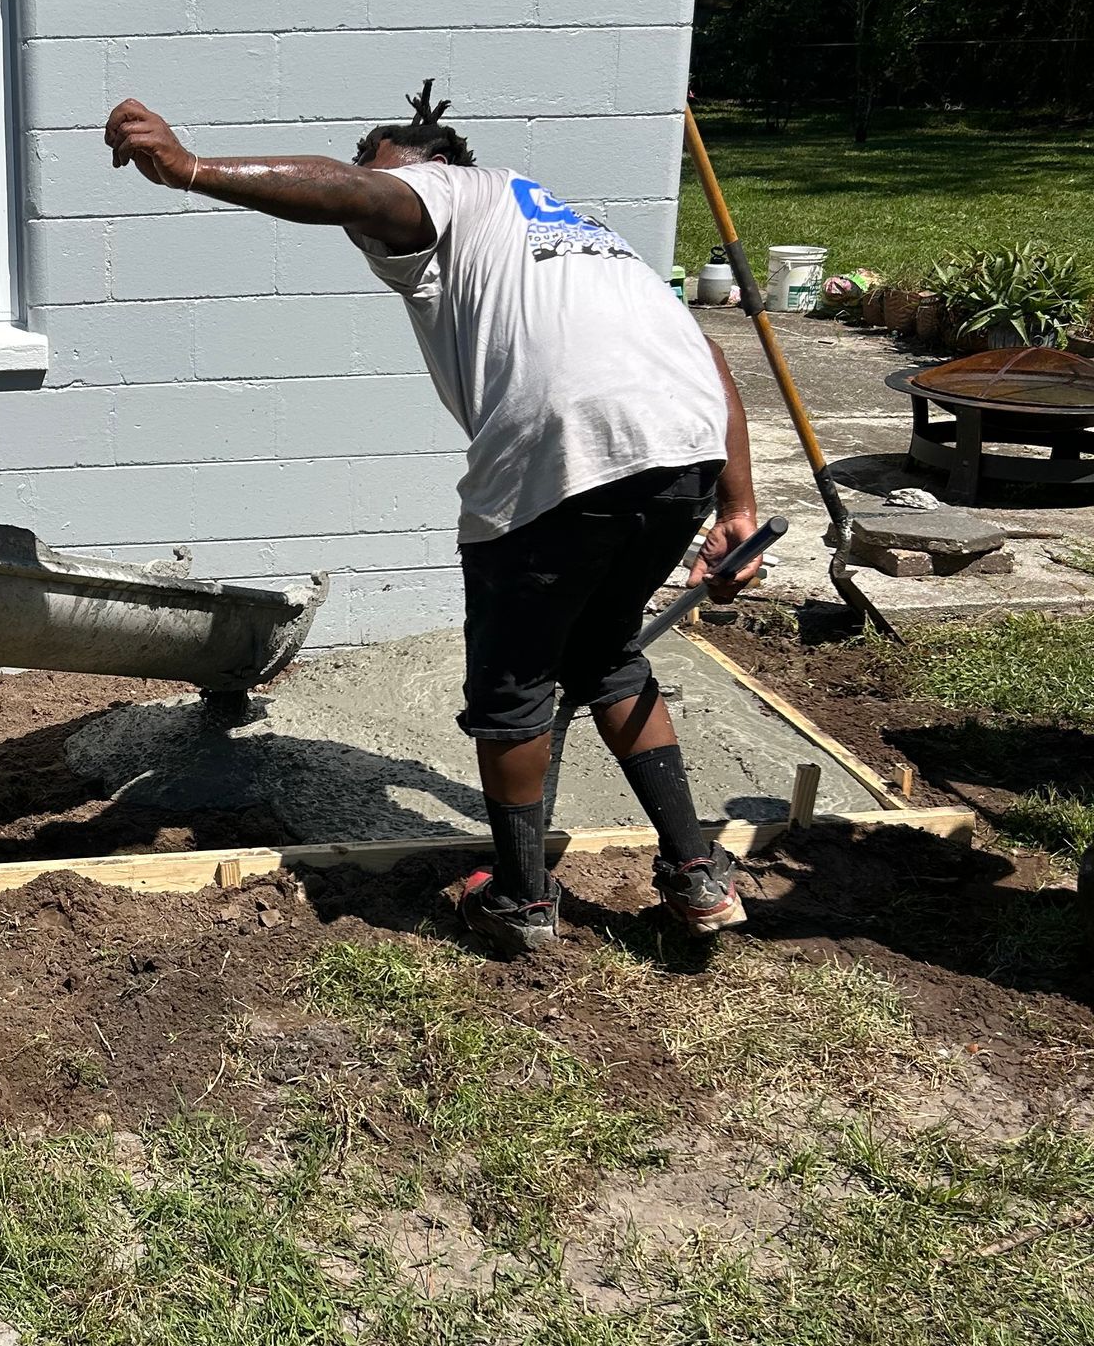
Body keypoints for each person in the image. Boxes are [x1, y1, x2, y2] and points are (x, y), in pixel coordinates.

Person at [104, 80, 764, 952]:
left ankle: (523, 902)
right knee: (605, 655)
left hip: (563, 453)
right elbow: (708, 350)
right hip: (682, 447)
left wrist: (191, 169)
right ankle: (695, 874)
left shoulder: (452, 191)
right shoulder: (572, 228)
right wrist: (740, 505)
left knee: (511, 694)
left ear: (422, 170)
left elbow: (361, 192)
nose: (362, 212)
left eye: (373, 179)